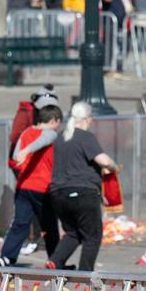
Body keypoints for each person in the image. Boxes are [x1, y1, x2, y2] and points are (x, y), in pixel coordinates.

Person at [46, 102, 116, 272]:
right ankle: (85, 272)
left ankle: (55, 261)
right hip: (83, 192)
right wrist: (113, 167)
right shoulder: (85, 137)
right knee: (92, 235)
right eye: (91, 118)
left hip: (58, 194)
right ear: (86, 119)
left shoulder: (60, 137)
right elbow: (104, 161)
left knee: (73, 232)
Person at [0, 104, 62, 268]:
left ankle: (6, 257)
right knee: (50, 227)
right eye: (58, 123)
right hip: (42, 188)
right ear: (54, 120)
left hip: (24, 186)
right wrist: (27, 151)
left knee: (20, 224)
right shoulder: (50, 134)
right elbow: (45, 139)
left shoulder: (26, 132)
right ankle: (56, 260)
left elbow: (15, 156)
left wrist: (23, 154)